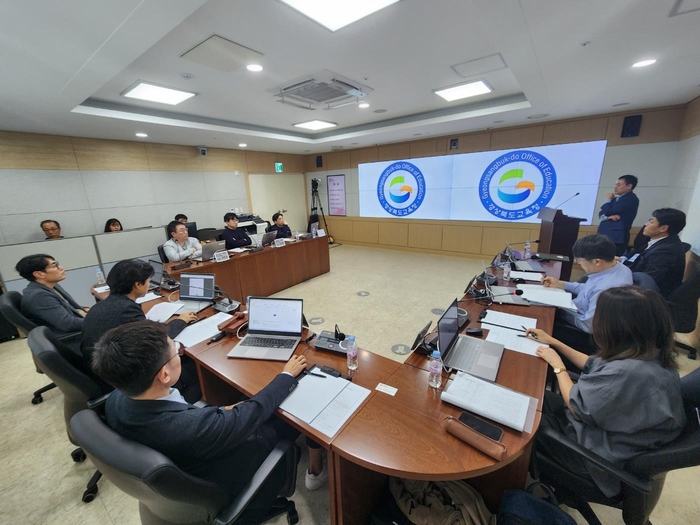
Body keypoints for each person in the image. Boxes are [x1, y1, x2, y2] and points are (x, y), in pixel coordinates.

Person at [91, 321, 318, 521]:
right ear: (164, 375)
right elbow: (251, 415)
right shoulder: (190, 428)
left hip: (188, 460)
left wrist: (223, 412)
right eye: (175, 352)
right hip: (231, 473)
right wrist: (286, 376)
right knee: (286, 416)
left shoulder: (117, 399)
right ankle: (317, 470)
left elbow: (205, 420)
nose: (179, 353)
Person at [526, 286, 685, 499]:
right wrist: (554, 343)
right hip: (607, 434)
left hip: (594, 457)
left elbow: (576, 408)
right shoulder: (649, 351)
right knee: (532, 396)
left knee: (523, 420)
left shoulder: (629, 372)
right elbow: (592, 363)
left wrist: (558, 366)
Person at [81, 259, 199, 400]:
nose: (150, 284)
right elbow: (156, 339)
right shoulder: (126, 309)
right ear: (137, 285)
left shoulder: (102, 305)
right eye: (148, 280)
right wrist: (181, 320)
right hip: (122, 379)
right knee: (193, 367)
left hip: (102, 369)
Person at [543, 234, 632, 354]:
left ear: (597, 261)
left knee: (540, 323)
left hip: (586, 335)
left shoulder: (606, 290)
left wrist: (558, 310)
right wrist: (561, 284)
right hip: (580, 311)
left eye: (579, 260)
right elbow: (587, 289)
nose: (578, 263)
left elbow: (588, 326)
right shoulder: (617, 267)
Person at [16, 254, 88, 335]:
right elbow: (68, 324)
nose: (61, 268)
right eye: (54, 265)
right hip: (77, 334)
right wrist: (99, 320)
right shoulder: (39, 296)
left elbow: (70, 306)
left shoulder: (51, 286)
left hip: (80, 320)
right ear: (39, 274)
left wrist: (89, 309)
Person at [623, 208, 687, 297]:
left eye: (651, 222)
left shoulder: (666, 250)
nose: (646, 224)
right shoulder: (660, 242)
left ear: (663, 228)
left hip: (650, 297)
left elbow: (647, 280)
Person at [597, 174, 639, 256]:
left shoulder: (630, 199)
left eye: (619, 185)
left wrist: (607, 200)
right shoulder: (616, 199)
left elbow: (609, 211)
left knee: (608, 262)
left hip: (616, 237)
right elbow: (601, 213)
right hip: (604, 235)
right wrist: (607, 217)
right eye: (615, 184)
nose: (615, 187)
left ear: (629, 186)